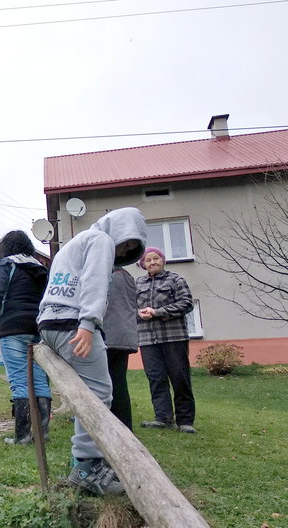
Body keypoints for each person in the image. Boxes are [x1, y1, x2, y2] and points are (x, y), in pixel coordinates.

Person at [37, 207, 146, 496]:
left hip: (50, 322)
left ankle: (84, 460)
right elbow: (94, 282)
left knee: (83, 393)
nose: (124, 249)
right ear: (118, 228)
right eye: (126, 241)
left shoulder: (73, 244)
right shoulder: (101, 241)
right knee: (99, 395)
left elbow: (54, 284)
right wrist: (88, 323)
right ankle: (88, 468)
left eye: (131, 248)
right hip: (76, 324)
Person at [0, 230, 51, 445]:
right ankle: (42, 435)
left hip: (12, 328)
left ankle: (22, 436)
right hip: (39, 328)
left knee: (19, 382)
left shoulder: (6, 264)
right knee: (40, 379)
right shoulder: (40, 268)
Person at [135, 247, 196, 434]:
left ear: (163, 260)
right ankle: (163, 418)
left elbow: (187, 303)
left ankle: (185, 421)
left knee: (180, 378)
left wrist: (158, 312)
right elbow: (129, 307)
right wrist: (138, 313)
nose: (152, 262)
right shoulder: (137, 283)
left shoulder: (176, 280)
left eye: (156, 258)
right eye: (148, 260)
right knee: (156, 379)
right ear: (143, 264)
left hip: (174, 338)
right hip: (147, 340)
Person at [103, 266, 137, 431]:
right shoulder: (127, 275)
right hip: (124, 335)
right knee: (119, 382)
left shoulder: (106, 275)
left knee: (105, 383)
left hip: (107, 334)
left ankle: (111, 427)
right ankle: (125, 427)